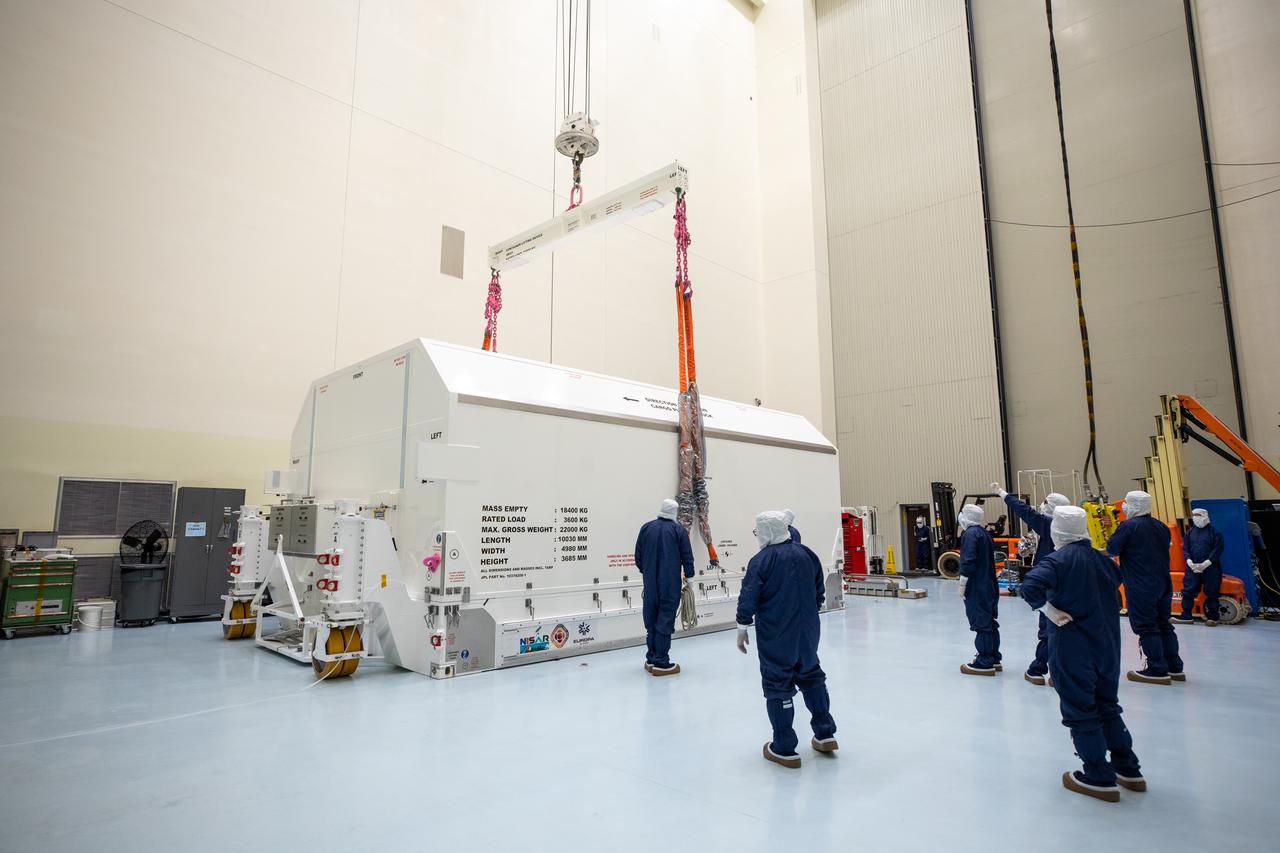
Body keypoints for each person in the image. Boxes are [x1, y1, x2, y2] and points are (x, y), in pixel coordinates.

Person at [1021, 506, 1144, 803]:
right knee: (1107, 705)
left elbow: (1030, 586)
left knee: (1080, 708)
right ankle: (1128, 768)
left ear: (1057, 530)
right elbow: (1114, 583)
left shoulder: (1058, 560)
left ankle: (1098, 775)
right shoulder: (1103, 561)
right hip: (1107, 645)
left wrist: (1048, 610)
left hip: (1073, 644)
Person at [736, 511, 837, 768]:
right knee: (811, 675)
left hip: (777, 632)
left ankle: (784, 747)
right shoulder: (807, 554)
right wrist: (809, 613)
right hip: (808, 631)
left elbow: (749, 597)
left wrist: (742, 626)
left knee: (777, 682)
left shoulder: (761, 561)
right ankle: (825, 733)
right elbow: (819, 590)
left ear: (765, 531)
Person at [991, 483, 1072, 685]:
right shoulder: (1073, 529)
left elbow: (1024, 511)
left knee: (1048, 630)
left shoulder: (1049, 524)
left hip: (1049, 585)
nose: (1041, 506)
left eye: (1045, 502)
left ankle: (1038, 669)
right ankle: (1060, 672)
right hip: (1069, 585)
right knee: (1066, 629)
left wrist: (1002, 493)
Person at [1106, 491, 1183, 684]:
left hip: (1141, 584)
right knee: (1164, 623)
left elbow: (1112, 548)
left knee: (1147, 626)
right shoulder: (1161, 526)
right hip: (1163, 582)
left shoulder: (1128, 526)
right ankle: (1174, 666)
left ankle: (1156, 669)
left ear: (1133, 505)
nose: (1124, 507)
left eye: (1126, 503)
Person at [635, 498, 695, 676]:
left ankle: (651, 659)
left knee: (651, 618)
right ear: (674, 512)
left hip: (650, 582)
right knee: (665, 618)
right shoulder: (678, 531)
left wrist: (646, 571)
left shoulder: (646, 528)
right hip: (669, 583)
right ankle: (661, 662)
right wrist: (690, 577)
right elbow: (687, 556)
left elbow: (638, 556)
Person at [958, 503, 1002, 676]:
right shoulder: (984, 533)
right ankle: (994, 657)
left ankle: (984, 662)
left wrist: (963, 582)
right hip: (989, 584)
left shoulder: (969, 535)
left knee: (981, 623)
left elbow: (968, 560)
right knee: (990, 622)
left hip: (977, 585)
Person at [1173, 507, 1225, 626]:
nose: (1196, 518)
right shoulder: (1190, 533)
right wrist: (1189, 561)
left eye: (1199, 515)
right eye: (1194, 515)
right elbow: (1185, 548)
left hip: (1211, 568)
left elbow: (1217, 549)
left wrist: (1206, 563)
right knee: (1188, 591)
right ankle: (1186, 616)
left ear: (1205, 516)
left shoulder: (1215, 533)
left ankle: (1213, 618)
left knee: (1212, 592)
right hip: (1192, 568)